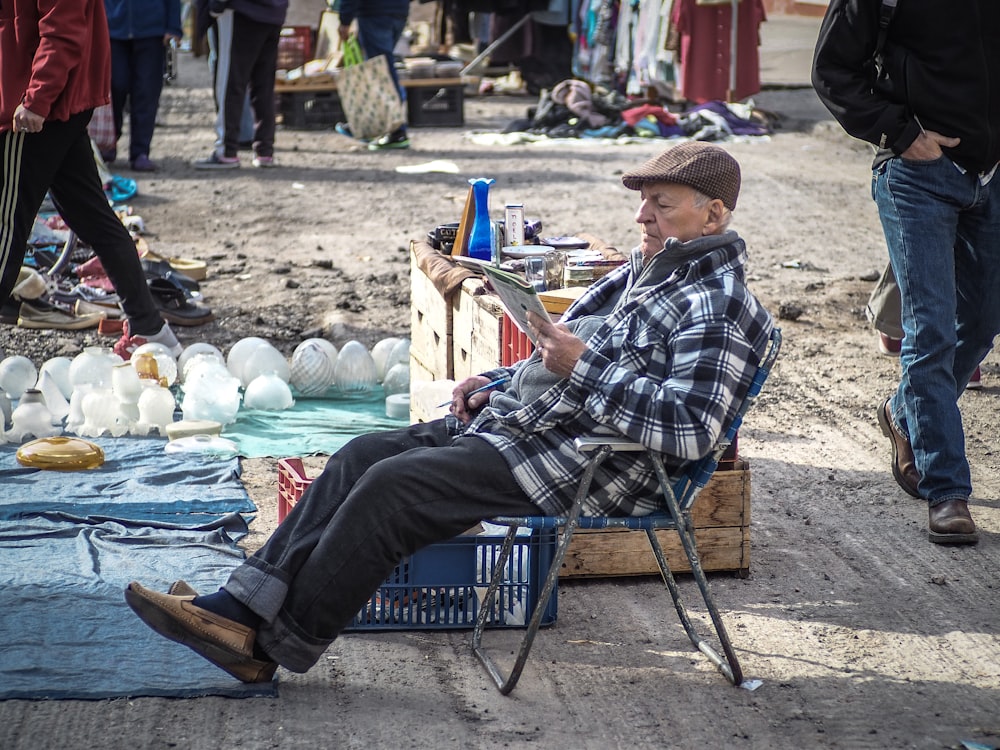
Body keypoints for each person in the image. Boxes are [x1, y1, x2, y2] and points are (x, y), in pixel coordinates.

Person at [124, 141, 774, 682]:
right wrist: (494, 380)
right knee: (361, 456)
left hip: (596, 460)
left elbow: (691, 431)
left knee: (394, 490)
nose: (642, 217)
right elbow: (558, 350)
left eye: (660, 205)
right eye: (643, 201)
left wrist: (584, 369)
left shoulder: (718, 305)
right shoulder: (644, 269)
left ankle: (271, 645)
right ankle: (240, 606)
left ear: (712, 216)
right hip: (539, 426)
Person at [812, 0, 1000, 545]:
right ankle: (946, 491)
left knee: (984, 321)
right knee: (931, 329)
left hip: (993, 174)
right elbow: (832, 70)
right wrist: (899, 132)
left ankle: (903, 410)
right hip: (918, 175)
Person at [0, 0, 187, 357]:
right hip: (54, 102)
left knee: (7, 224)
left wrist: (37, 99)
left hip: (40, 107)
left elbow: (63, 30)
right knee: (92, 216)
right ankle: (150, 327)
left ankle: (149, 326)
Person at [193, 0, 288, 169]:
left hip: (239, 11)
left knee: (230, 82)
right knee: (264, 86)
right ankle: (264, 151)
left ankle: (226, 151)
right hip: (273, 14)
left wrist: (216, 6)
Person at [104, 0, 183, 172]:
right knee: (114, 88)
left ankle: (140, 152)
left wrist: (174, 27)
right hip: (113, 29)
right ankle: (108, 143)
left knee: (146, 93)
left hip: (152, 31)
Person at [336, 0, 411, 150]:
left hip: (374, 13)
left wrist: (345, 19)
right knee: (383, 70)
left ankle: (396, 131)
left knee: (382, 72)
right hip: (398, 12)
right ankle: (376, 124)